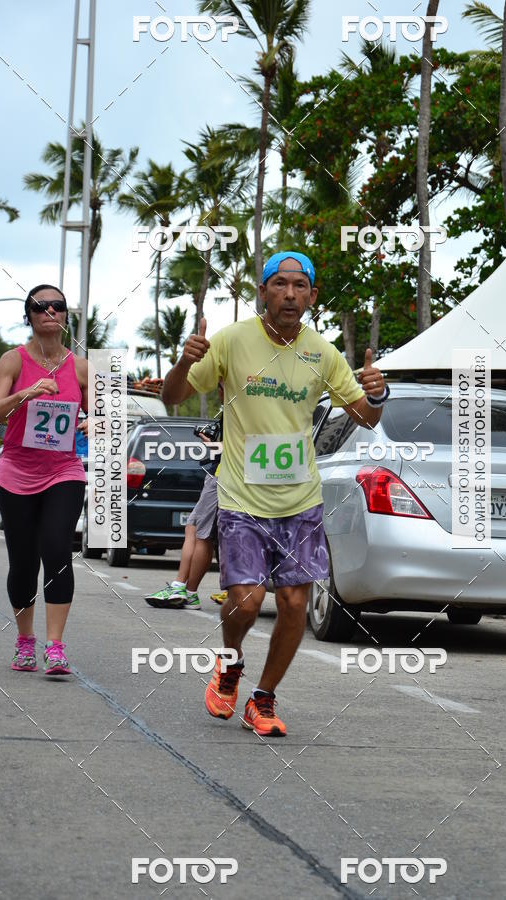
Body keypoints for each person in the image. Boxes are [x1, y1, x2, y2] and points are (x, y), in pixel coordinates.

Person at [162, 251, 388, 736]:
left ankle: (262, 699)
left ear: (311, 295)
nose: (290, 294)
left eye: (299, 285)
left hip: (300, 500)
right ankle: (230, 665)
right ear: (262, 291)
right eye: (280, 284)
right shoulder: (231, 340)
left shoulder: (322, 353)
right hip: (242, 495)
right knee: (245, 601)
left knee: (291, 603)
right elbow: (172, 397)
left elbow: (364, 417)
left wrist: (377, 394)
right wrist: (185, 360)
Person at [0, 284, 87, 675]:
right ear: (28, 315)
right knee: (24, 562)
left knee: (57, 550)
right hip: (16, 472)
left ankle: (56, 646)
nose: (49, 310)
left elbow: (109, 412)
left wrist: (95, 422)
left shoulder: (80, 367)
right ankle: (25, 640)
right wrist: (25, 394)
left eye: (57, 306)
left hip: (63, 470)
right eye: (40, 306)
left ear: (66, 315)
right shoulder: (12, 361)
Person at [144, 382, 226, 610]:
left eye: (219, 386)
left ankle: (185, 589)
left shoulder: (235, 410)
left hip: (222, 476)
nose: (218, 392)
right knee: (196, 529)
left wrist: (212, 445)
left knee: (200, 532)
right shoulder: (242, 410)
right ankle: (184, 588)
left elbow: (233, 449)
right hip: (224, 477)